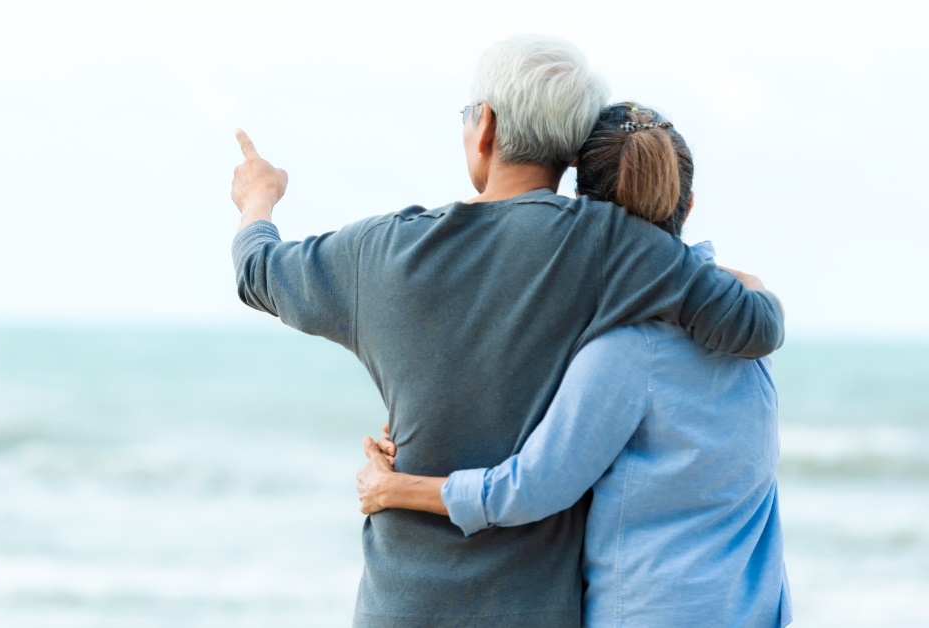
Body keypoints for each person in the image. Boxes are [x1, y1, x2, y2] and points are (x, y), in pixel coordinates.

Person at [230, 35, 784, 627]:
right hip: (535, 609)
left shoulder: (376, 253)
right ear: (571, 155)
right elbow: (753, 325)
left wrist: (257, 200)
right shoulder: (614, 244)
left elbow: (257, 272)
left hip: (402, 604)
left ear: (485, 125)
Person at [354, 102, 793, 626]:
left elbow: (532, 486)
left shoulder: (629, 349)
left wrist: (398, 488)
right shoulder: (744, 324)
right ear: (689, 203)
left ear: (584, 214)